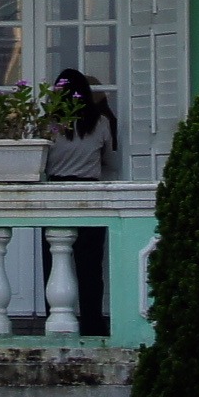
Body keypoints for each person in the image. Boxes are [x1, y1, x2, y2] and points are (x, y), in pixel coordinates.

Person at [41, 69, 118, 336]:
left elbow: (40, 162)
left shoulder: (49, 125)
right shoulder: (101, 123)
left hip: (55, 191)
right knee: (90, 264)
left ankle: (56, 318)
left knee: (53, 261)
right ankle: (92, 322)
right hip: (89, 192)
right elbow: (110, 159)